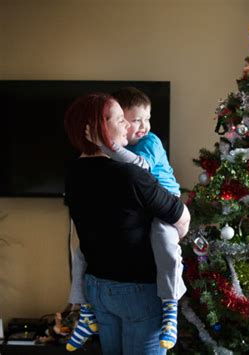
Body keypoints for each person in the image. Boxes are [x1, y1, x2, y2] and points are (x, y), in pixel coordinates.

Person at [64, 92, 190, 355]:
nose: (128, 126)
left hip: (97, 289)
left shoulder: (73, 173)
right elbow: (181, 217)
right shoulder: (131, 175)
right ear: (101, 127)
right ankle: (171, 310)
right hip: (136, 291)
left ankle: (83, 317)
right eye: (120, 119)